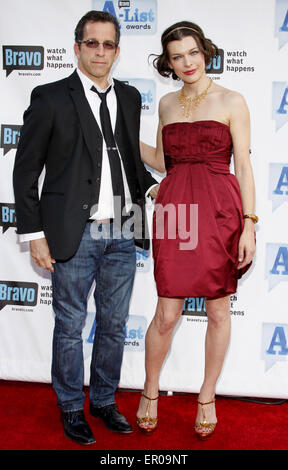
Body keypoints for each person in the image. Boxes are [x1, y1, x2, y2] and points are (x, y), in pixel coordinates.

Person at [13, 10, 158, 445]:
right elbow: (25, 173)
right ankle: (72, 407)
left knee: (114, 324)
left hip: (121, 227)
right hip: (72, 232)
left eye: (108, 44)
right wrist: (33, 234)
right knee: (70, 325)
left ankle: (104, 401)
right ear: (77, 47)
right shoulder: (50, 97)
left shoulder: (130, 98)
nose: (100, 52)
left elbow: (129, 161)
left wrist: (151, 191)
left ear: (117, 50)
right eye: (91, 43)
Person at [136, 21, 257, 440]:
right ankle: (150, 389)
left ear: (205, 52)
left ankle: (206, 396)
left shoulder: (232, 100)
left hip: (221, 213)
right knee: (166, 313)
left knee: (218, 310)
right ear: (167, 63)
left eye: (192, 53)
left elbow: (243, 165)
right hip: (175, 212)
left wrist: (249, 225)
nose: (186, 62)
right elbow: (163, 160)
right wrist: (115, 133)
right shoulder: (167, 104)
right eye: (177, 56)